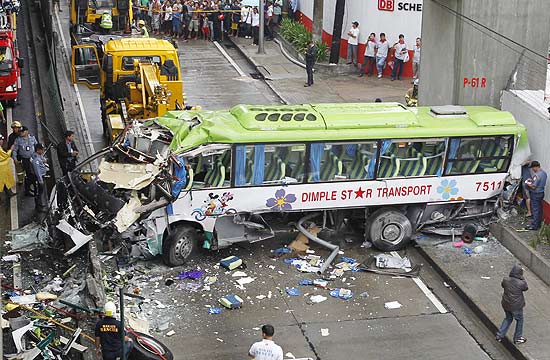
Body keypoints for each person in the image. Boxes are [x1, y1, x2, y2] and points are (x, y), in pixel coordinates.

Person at [496, 264, 528, 344]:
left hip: (506, 304)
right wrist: (522, 278)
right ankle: (517, 338)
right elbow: (526, 288)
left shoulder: (505, 280)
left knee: (508, 318)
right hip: (516, 306)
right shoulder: (521, 283)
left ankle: (499, 335)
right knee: (519, 320)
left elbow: (503, 285)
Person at [11, 126, 38, 196]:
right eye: (20, 132)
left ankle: (33, 187)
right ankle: (27, 190)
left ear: (26, 131)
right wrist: (15, 158)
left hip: (33, 159)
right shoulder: (18, 140)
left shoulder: (32, 138)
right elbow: (15, 150)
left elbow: (37, 146)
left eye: (22, 132)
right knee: (29, 175)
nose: (21, 133)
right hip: (25, 159)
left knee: (35, 173)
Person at [524, 160, 547, 230]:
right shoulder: (544, 173)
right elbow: (539, 182)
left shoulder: (537, 175)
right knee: (539, 209)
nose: (532, 170)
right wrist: (531, 180)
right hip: (541, 193)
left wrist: (527, 183)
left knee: (535, 210)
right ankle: (538, 224)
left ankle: (535, 226)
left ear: (535, 167)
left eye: (532, 168)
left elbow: (534, 186)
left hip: (535, 194)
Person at [31, 143, 48, 211]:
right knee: (38, 192)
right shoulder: (36, 160)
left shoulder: (39, 156)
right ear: (38, 150)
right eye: (42, 150)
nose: (43, 151)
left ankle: (40, 204)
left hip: (41, 177)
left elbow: (42, 159)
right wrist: (40, 180)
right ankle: (38, 207)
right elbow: (37, 171)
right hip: (38, 178)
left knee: (41, 192)